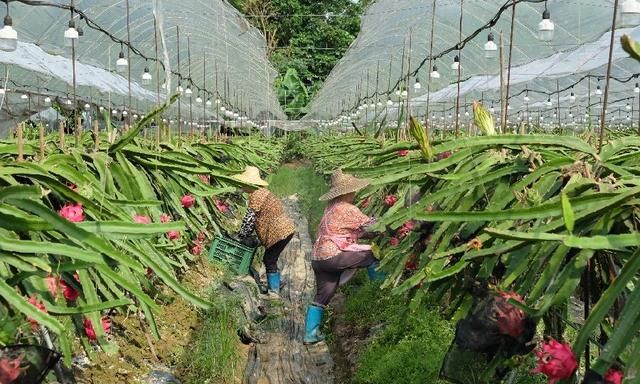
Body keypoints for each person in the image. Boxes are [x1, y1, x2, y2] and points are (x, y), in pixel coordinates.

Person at [304, 169, 384, 345]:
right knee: (371, 255)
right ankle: (382, 293)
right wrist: (390, 223)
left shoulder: (330, 208)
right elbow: (373, 227)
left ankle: (310, 334)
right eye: (353, 190)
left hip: (319, 258)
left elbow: (349, 231)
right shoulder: (347, 209)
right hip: (333, 256)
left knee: (324, 294)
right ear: (347, 191)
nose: (355, 192)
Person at [232, 166, 296, 294]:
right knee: (271, 258)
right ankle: (276, 283)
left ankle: (274, 290)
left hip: (278, 232)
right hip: (285, 230)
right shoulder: (262, 192)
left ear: (249, 183)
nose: (242, 187)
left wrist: (241, 235)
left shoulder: (256, 195)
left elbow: (250, 218)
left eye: (243, 184)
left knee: (269, 259)